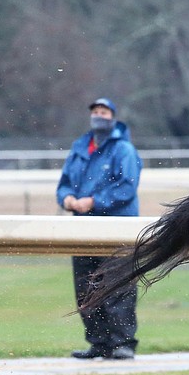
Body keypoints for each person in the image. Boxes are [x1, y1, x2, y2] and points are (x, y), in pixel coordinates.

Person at [56, 97, 142, 360]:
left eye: (103, 112)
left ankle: (123, 342)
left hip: (116, 227)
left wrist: (94, 201)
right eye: (95, 111)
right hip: (83, 228)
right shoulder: (80, 147)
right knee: (86, 287)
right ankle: (99, 342)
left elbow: (126, 187)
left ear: (112, 117)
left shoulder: (123, 149)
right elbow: (65, 183)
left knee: (118, 285)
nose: (98, 116)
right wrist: (68, 199)